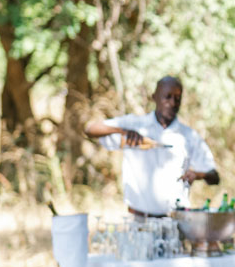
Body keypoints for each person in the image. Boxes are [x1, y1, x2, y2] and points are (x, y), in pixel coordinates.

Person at [87, 76, 220, 215]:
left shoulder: (188, 136)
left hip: (175, 221)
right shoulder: (135, 124)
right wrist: (123, 132)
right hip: (138, 222)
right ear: (154, 97)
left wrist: (198, 174)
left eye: (177, 98)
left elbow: (214, 177)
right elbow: (90, 130)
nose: (172, 103)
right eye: (167, 97)